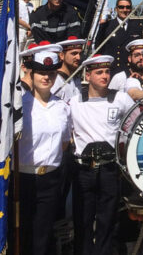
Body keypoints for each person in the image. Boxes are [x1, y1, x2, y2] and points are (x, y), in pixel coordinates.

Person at [69, 54, 134, 255]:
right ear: (88, 75)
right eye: (99, 72)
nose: (105, 76)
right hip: (84, 170)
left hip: (109, 168)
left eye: (107, 71)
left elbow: (135, 124)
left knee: (108, 220)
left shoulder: (121, 99)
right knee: (83, 220)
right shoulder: (74, 102)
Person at [18, 48, 71, 255]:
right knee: (22, 232)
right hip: (23, 178)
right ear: (32, 74)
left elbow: (64, 143)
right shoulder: (20, 105)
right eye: (41, 72)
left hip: (50, 179)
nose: (46, 77)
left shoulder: (62, 107)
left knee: (43, 234)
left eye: (50, 73)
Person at [96, 0, 143, 74]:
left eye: (128, 7)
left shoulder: (137, 27)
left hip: (131, 72)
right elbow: (98, 48)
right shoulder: (107, 26)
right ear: (116, 9)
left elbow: (140, 50)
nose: (125, 10)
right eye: (121, 7)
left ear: (131, 9)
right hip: (112, 71)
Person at [51, 36, 85, 102]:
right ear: (62, 55)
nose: (78, 57)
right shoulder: (55, 81)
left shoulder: (76, 80)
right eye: (74, 53)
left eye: (80, 54)